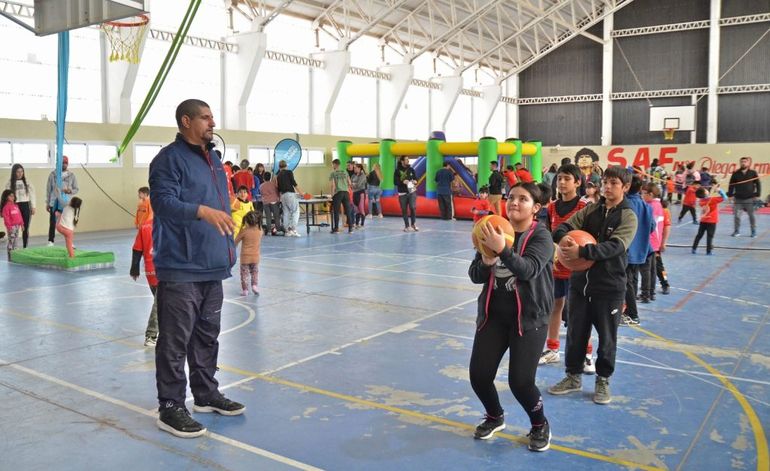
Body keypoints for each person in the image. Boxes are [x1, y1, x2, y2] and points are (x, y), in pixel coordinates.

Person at [149, 98, 243, 439]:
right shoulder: (168, 160)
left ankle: (205, 394)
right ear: (186, 121)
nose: (212, 122)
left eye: (212, 117)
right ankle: (171, 407)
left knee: (207, 336)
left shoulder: (214, 160)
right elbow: (163, 203)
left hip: (213, 265)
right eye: (205, 118)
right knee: (175, 341)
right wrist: (203, 211)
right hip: (181, 265)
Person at [468, 181, 554, 451]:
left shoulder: (541, 237)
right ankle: (495, 416)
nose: (514, 202)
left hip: (529, 318)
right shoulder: (494, 228)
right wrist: (486, 261)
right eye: (511, 197)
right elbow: (474, 275)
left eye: (523, 199)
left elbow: (528, 269)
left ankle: (539, 424)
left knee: (520, 382)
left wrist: (502, 249)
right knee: (479, 376)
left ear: (536, 208)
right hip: (493, 316)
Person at [548, 166, 638, 405]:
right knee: (576, 333)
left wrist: (583, 250)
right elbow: (563, 227)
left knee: (607, 338)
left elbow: (616, 246)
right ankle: (573, 377)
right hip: (580, 285)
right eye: (605, 182)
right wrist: (564, 240)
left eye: (614, 183)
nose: (607, 187)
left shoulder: (628, 215)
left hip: (609, 288)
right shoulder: (590, 210)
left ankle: (603, 380)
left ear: (625, 187)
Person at [540, 164, 593, 372]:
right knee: (554, 307)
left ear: (578, 182)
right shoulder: (552, 207)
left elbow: (589, 236)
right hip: (556, 267)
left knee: (580, 312)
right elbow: (548, 234)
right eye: (559, 178)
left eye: (567, 179)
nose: (561, 182)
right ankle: (552, 349)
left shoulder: (585, 206)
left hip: (578, 267)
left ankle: (587, 353)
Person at [621, 175, 654, 326]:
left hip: (628, 250)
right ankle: (629, 311)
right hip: (641, 250)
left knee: (626, 282)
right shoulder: (646, 206)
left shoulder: (626, 205)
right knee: (632, 281)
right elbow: (652, 227)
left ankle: (633, 314)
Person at [130, 213, 159, 347]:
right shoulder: (170, 223)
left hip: (150, 270)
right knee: (160, 303)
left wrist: (134, 269)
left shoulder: (145, 225)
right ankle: (151, 334)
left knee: (163, 302)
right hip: (164, 269)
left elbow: (137, 248)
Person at [45, 155, 79, 246]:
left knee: (68, 222)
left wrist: (69, 191)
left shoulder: (71, 175)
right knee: (53, 222)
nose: (64, 165)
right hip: (54, 201)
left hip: (66, 203)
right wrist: (47, 203)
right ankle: (51, 241)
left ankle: (70, 241)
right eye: (62, 163)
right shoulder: (53, 175)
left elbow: (76, 189)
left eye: (65, 163)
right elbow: (48, 189)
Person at [640, 183, 664, 302]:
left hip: (649, 241)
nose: (642, 195)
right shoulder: (658, 205)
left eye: (643, 193)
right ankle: (651, 292)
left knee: (645, 270)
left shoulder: (650, 206)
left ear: (650, 194)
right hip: (656, 242)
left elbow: (648, 225)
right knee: (652, 269)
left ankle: (646, 294)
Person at [727, 157, 761, 238]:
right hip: (738, 199)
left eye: (745, 162)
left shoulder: (753, 172)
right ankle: (737, 231)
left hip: (749, 198)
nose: (743, 163)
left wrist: (757, 194)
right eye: (742, 162)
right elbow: (731, 184)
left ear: (748, 163)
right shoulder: (735, 173)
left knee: (751, 216)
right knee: (737, 216)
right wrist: (730, 195)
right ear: (740, 163)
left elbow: (758, 183)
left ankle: (753, 231)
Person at [5, 164, 36, 248]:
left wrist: (33, 206)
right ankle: (13, 246)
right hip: (15, 206)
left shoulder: (27, 182)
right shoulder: (9, 183)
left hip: (25, 205)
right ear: (14, 172)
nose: (20, 173)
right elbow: (6, 196)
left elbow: (32, 194)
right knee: (14, 228)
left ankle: (25, 246)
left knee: (25, 228)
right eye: (18, 172)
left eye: (22, 171)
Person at [692, 185, 727, 255]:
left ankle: (694, 248)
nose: (707, 190)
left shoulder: (701, 201)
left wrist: (713, 192)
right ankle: (708, 251)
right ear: (705, 193)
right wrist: (719, 190)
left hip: (703, 220)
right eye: (706, 190)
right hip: (712, 221)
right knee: (710, 236)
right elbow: (725, 198)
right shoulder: (713, 200)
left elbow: (707, 199)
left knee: (699, 235)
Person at [234, 211, 262, 296]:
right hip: (255, 257)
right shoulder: (260, 230)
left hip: (245, 257)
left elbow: (235, 241)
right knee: (254, 272)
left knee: (244, 273)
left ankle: (245, 290)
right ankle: (254, 286)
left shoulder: (244, 231)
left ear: (247, 222)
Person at [276, 159, 303, 237]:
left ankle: (287, 231)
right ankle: (293, 229)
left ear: (279, 167)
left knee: (286, 213)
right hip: (290, 194)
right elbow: (294, 183)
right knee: (296, 211)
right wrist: (301, 193)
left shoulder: (278, 175)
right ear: (286, 166)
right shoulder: (289, 172)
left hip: (283, 196)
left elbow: (278, 187)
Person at [395, 156, 419, 232]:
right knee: (404, 210)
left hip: (412, 191)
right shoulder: (397, 171)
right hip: (402, 193)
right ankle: (407, 226)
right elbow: (395, 182)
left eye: (408, 159)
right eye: (406, 159)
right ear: (402, 161)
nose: (408, 161)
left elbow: (415, 178)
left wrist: (415, 181)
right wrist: (402, 182)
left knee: (412, 207)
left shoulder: (411, 169)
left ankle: (413, 224)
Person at [329, 159, 354, 234]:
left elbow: (332, 185)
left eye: (332, 164)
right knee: (348, 211)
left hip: (338, 193)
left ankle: (336, 229)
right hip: (346, 193)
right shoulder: (345, 172)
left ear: (335, 164)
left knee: (336, 211)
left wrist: (332, 195)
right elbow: (350, 183)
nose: (332, 166)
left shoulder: (333, 173)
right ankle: (350, 229)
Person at [1, 189, 24, 256]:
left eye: (13, 196)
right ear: (6, 197)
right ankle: (10, 250)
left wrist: (22, 224)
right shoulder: (6, 207)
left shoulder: (16, 206)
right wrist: (9, 227)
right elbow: (6, 218)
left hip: (17, 226)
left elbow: (19, 215)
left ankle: (15, 249)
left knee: (16, 238)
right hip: (11, 226)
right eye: (10, 196)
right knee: (11, 238)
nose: (12, 197)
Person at [351, 163, 367, 228]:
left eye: (355, 168)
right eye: (354, 168)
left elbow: (359, 185)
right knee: (356, 210)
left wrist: (353, 184)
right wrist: (353, 184)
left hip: (361, 193)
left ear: (359, 168)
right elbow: (350, 184)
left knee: (361, 209)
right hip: (354, 193)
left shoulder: (363, 175)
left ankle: (362, 224)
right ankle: (357, 224)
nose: (354, 169)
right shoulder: (353, 175)